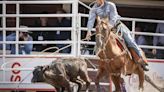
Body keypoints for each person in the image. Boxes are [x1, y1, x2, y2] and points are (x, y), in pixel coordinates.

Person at [85, 0, 149, 71]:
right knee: (99, 42)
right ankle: (100, 63)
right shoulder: (94, 8)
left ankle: (142, 60)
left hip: (117, 27)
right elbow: (91, 20)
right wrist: (89, 31)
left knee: (130, 41)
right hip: (104, 29)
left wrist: (109, 26)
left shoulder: (111, 5)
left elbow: (114, 17)